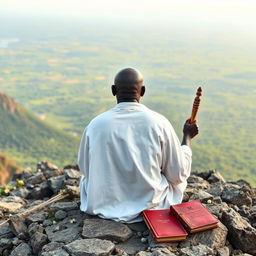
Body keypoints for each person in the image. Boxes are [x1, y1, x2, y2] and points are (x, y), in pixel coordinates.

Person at [78, 67, 199, 223]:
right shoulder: (159, 123)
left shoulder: (95, 125)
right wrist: (187, 138)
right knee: (177, 180)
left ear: (113, 90)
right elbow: (178, 174)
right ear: (142, 91)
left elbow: (85, 169)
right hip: (152, 206)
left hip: (103, 205)